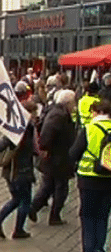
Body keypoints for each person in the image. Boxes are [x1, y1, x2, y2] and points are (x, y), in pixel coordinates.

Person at [0, 101, 38, 239]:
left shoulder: (16, 125)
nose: (36, 115)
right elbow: (5, 142)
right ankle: (18, 230)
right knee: (25, 201)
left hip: (11, 171)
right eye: (34, 112)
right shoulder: (25, 128)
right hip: (21, 170)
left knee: (16, 199)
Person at [69, 99, 111, 252]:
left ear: (97, 112)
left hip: (88, 179)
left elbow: (74, 153)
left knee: (87, 215)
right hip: (109, 179)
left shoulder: (89, 129)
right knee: (103, 216)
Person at [29, 90, 76, 226]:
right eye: (73, 102)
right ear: (68, 103)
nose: (74, 105)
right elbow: (47, 132)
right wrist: (44, 148)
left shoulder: (57, 112)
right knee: (61, 187)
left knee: (48, 185)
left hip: (57, 157)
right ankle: (54, 215)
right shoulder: (58, 115)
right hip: (57, 157)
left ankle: (34, 208)